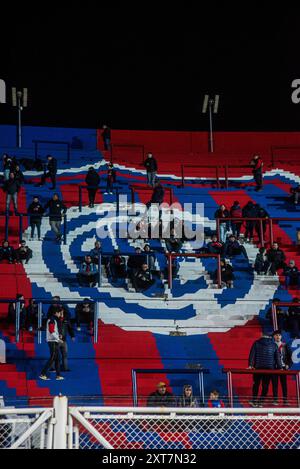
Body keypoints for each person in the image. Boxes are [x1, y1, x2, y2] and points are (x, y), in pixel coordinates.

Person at [248, 333, 281, 407]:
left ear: (261, 335)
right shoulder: (274, 345)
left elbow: (252, 355)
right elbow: (277, 358)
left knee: (256, 384)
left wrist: (250, 365)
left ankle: (254, 400)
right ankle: (261, 401)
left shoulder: (256, 343)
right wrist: (280, 368)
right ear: (270, 336)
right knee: (265, 385)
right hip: (269, 369)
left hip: (258, 368)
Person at [39, 309, 64, 381]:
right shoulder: (52, 320)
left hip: (54, 340)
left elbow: (55, 330)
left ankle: (58, 375)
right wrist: (58, 339)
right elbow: (51, 331)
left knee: (58, 358)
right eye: (60, 313)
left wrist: (58, 336)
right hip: (52, 341)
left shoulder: (54, 319)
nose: (61, 315)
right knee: (52, 358)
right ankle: (42, 374)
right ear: (56, 312)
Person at [271, 330, 293, 406]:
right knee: (275, 384)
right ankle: (275, 400)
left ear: (281, 336)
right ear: (273, 336)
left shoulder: (285, 345)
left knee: (284, 384)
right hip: (274, 368)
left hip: (283, 368)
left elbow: (291, 357)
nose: (278, 337)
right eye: (276, 335)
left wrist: (288, 365)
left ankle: (285, 400)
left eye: (279, 335)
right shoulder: (271, 345)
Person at [57, 306, 75, 372]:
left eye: (62, 311)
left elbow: (70, 328)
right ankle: (53, 368)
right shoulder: (55, 319)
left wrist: (72, 336)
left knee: (65, 355)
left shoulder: (66, 320)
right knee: (55, 355)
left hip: (64, 340)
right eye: (60, 312)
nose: (61, 313)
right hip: (56, 340)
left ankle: (65, 368)